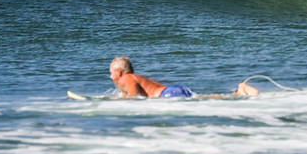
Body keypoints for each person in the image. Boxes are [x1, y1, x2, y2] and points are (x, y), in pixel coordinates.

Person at [109, 56, 259, 98]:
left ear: (119, 72)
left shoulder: (127, 78)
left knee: (202, 99)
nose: (110, 77)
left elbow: (134, 97)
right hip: (171, 91)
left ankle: (239, 92)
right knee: (203, 98)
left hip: (168, 94)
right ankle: (239, 92)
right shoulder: (135, 78)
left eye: (111, 72)